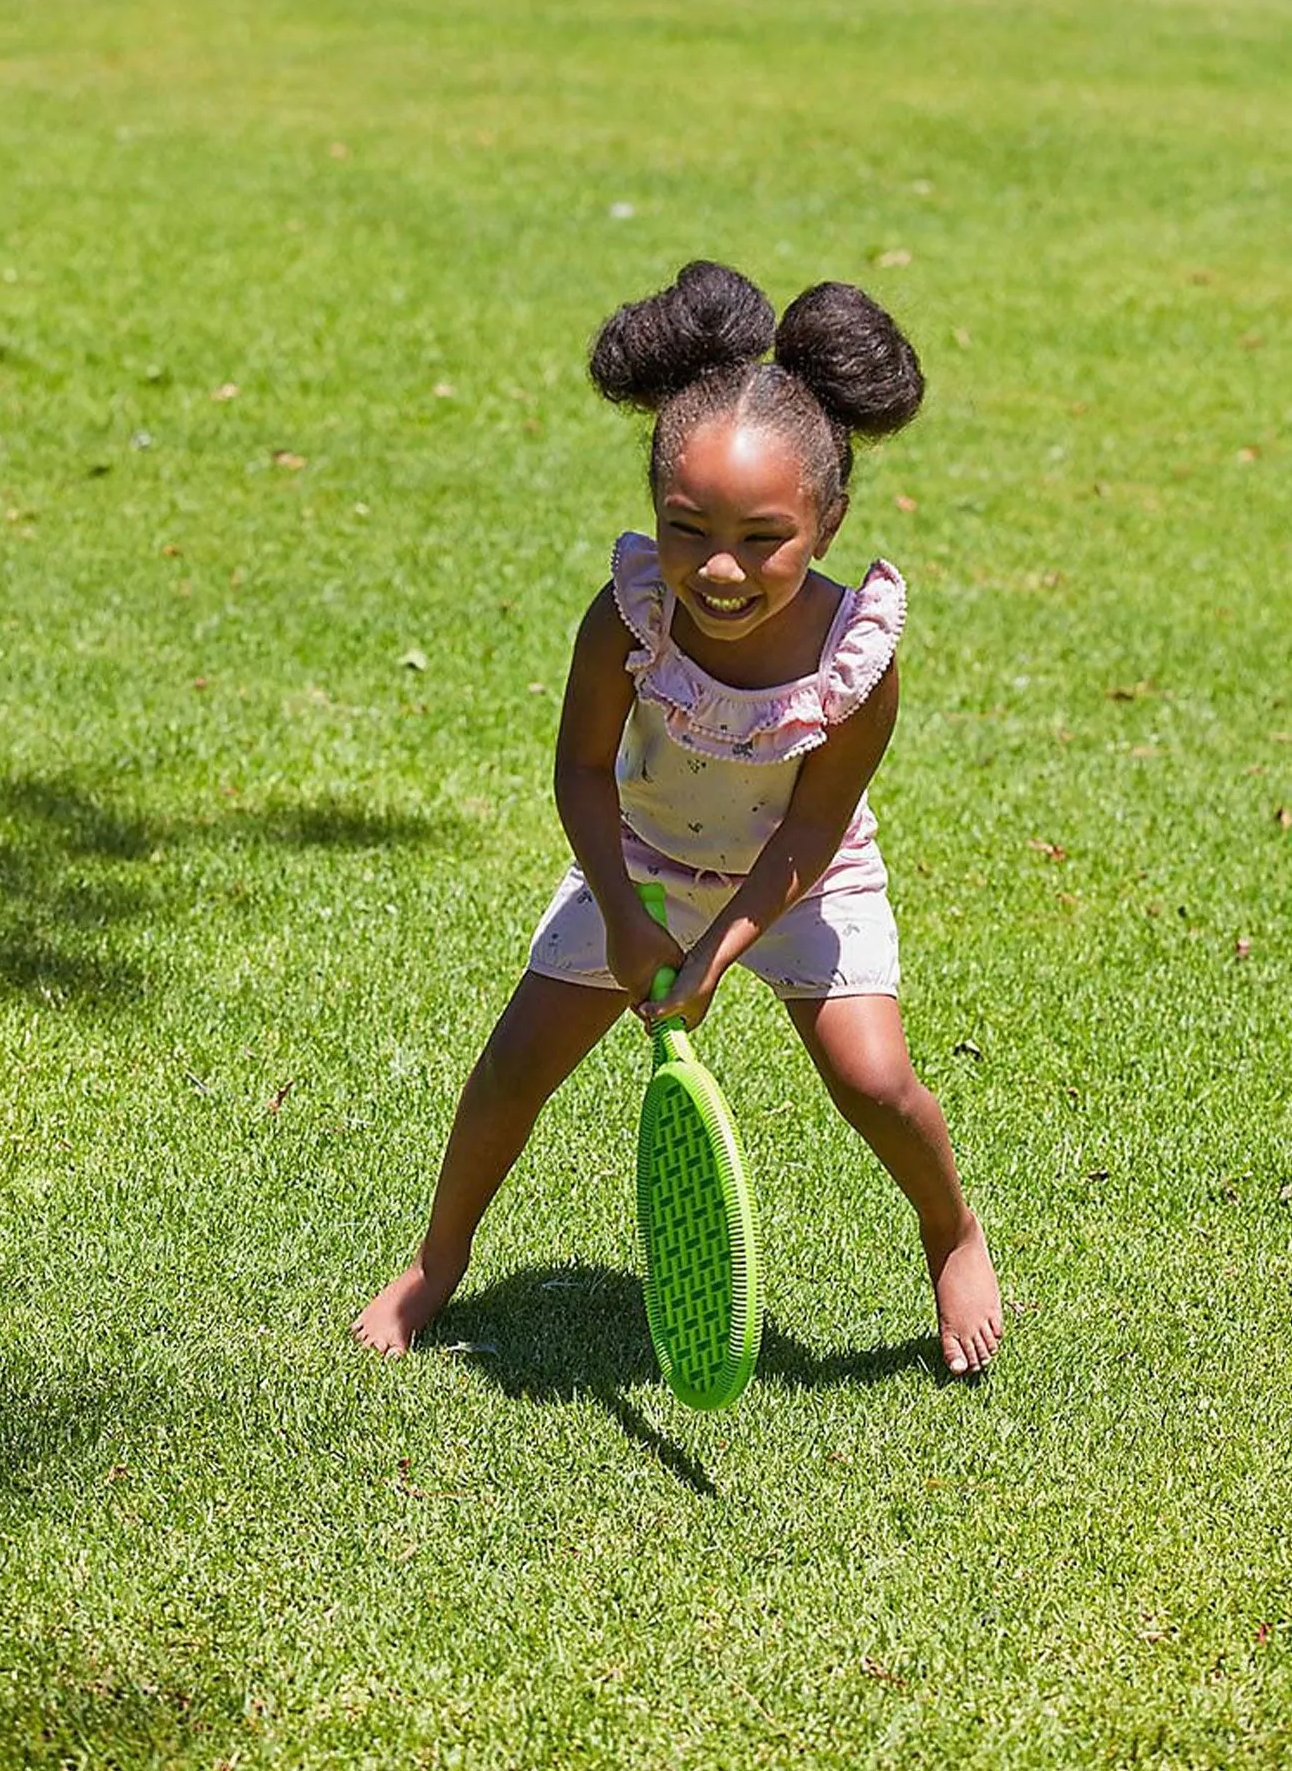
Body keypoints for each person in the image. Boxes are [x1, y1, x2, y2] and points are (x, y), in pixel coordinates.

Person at [354, 261, 1002, 1376]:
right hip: (643, 859)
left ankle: (954, 1232)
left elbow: (810, 832)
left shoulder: (858, 657)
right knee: (514, 1065)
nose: (720, 565)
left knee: (873, 1080)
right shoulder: (628, 617)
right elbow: (579, 770)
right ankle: (436, 1259)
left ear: (828, 518)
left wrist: (719, 951)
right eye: (685, 525)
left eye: (764, 536)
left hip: (797, 879)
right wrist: (622, 912)